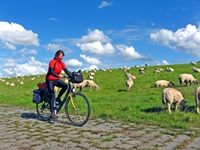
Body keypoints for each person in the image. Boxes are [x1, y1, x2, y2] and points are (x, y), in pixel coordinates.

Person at [46, 50, 72, 119]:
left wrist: (72, 76)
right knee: (52, 94)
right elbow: (51, 71)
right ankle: (52, 114)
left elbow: (66, 71)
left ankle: (58, 98)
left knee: (65, 86)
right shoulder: (52, 62)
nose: (62, 57)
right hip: (50, 79)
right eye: (61, 56)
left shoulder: (62, 63)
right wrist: (58, 76)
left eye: (63, 56)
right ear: (57, 56)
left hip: (56, 79)